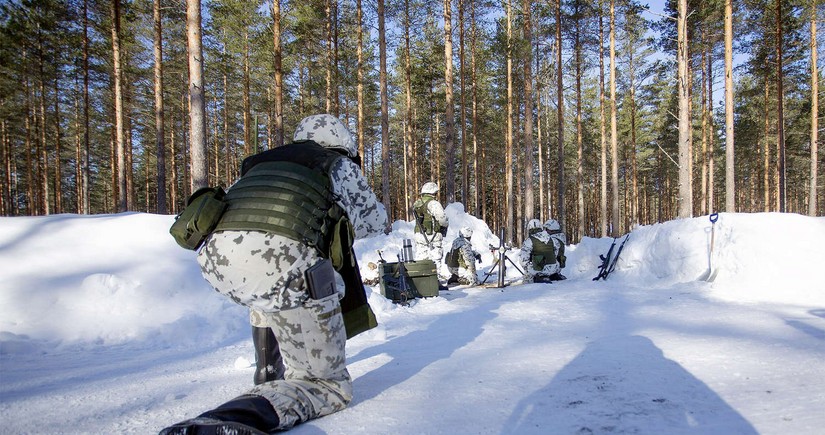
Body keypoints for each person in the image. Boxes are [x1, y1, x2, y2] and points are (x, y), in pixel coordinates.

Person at [160, 114, 387, 434]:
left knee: (270, 276)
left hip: (216, 262)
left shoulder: (260, 164)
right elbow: (375, 221)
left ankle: (268, 373)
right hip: (284, 267)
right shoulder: (337, 163)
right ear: (342, 143)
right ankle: (230, 420)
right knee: (327, 385)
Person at [412, 181, 449, 267]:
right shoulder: (433, 203)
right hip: (432, 235)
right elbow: (442, 219)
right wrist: (445, 225)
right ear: (433, 192)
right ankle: (435, 278)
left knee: (421, 258)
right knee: (435, 258)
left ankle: (423, 277)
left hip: (419, 234)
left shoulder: (417, 203)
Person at [519, 218, 567, 283]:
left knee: (527, 277)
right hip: (554, 268)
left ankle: (534, 278)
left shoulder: (529, 240)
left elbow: (523, 259)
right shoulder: (551, 238)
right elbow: (556, 252)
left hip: (539, 270)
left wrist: (528, 269)